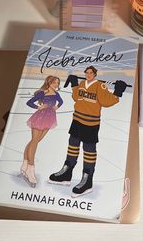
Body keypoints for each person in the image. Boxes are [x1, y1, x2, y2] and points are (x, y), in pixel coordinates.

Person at [48, 66, 127, 197]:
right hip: (77, 119)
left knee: (89, 149)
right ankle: (67, 172)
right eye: (87, 72)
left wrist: (117, 92)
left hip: (91, 123)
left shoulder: (100, 86)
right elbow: (76, 97)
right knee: (72, 143)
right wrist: (74, 84)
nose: (88, 74)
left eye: (91, 73)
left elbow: (106, 102)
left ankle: (87, 179)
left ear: (95, 74)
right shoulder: (82, 83)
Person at [21, 75, 63, 187]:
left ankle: (24, 163)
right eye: (54, 82)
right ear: (49, 83)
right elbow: (29, 102)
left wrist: (56, 107)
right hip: (39, 117)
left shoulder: (56, 94)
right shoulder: (42, 93)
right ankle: (30, 168)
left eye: (58, 83)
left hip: (50, 118)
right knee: (34, 141)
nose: (56, 85)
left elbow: (61, 102)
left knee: (35, 141)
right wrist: (38, 107)